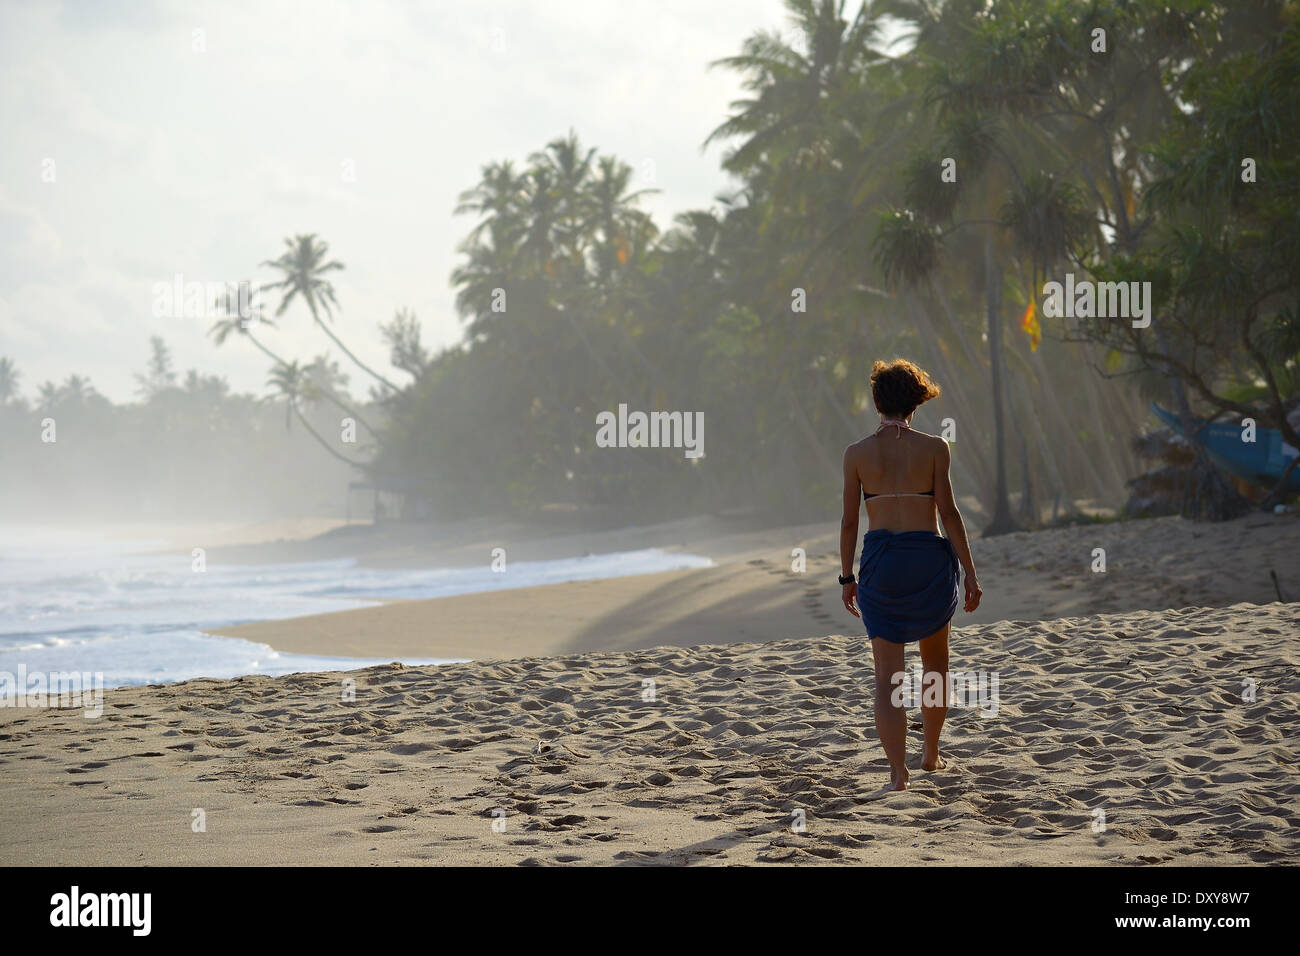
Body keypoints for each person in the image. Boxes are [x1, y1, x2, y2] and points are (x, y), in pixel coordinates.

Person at [838, 358, 981, 792]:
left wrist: (847, 577)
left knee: (887, 676)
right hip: (928, 561)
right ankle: (931, 754)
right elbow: (950, 513)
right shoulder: (935, 448)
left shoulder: (856, 454)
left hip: (882, 563)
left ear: (878, 401)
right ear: (914, 404)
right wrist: (970, 573)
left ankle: (897, 773)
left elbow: (848, 522)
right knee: (935, 663)